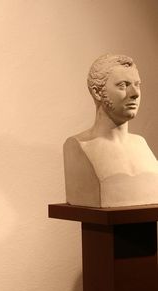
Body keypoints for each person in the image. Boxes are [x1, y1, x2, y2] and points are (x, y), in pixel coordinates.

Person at [64, 54, 158, 207]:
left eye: (137, 85)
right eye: (123, 85)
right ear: (97, 92)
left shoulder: (141, 144)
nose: (135, 93)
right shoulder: (78, 146)